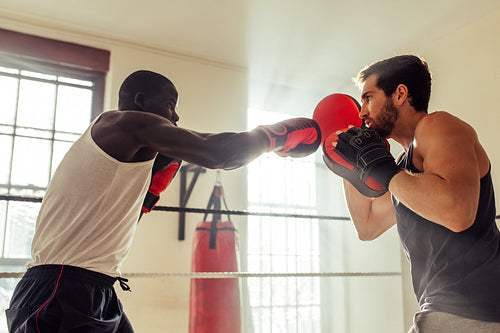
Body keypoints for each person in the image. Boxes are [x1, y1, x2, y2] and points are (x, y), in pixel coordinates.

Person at [6, 70, 321, 332]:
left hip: (96, 288)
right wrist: (279, 134)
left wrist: (148, 194)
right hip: (59, 290)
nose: (176, 115)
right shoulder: (122, 124)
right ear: (141, 101)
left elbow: (109, 217)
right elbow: (218, 152)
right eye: (170, 104)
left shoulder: (121, 149)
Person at [323, 55, 500, 332]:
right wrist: (348, 163)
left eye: (368, 98)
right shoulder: (404, 170)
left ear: (400, 94)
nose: (362, 112)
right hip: (445, 312)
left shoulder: (438, 125)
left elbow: (458, 212)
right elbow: (367, 225)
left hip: (474, 312)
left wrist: (383, 171)